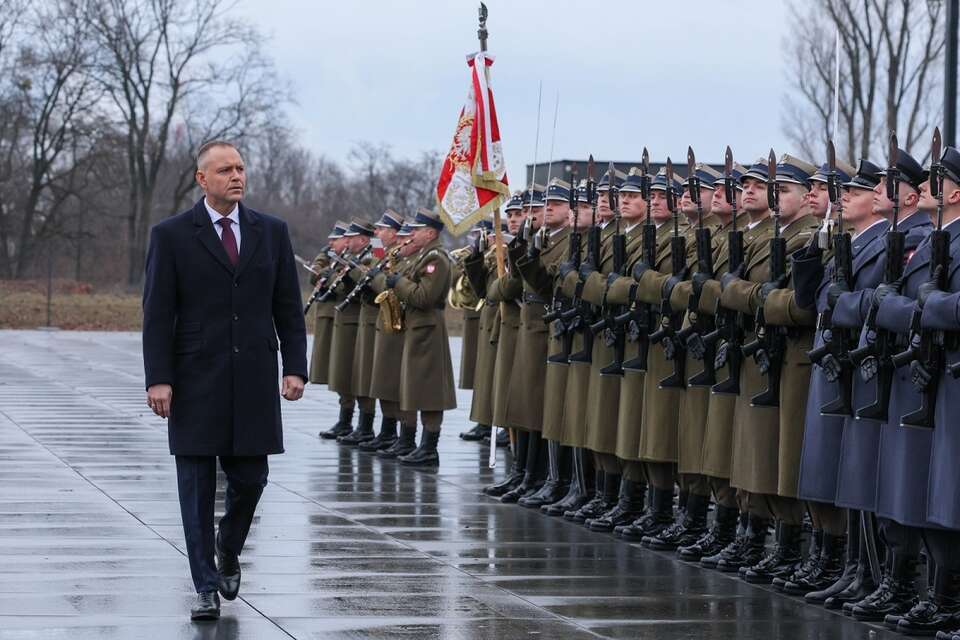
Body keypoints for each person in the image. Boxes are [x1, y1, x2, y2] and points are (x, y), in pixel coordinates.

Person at [142, 140, 307, 621]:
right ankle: (205, 586)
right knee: (194, 489)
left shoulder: (270, 232)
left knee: (252, 478)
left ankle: (228, 545)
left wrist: (294, 366)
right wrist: (159, 379)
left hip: (254, 376)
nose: (236, 176)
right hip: (194, 379)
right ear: (202, 179)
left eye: (240, 167)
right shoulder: (171, 235)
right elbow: (157, 314)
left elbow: (287, 308)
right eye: (224, 170)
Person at [371, 207, 456, 467]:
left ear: (430, 233)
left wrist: (397, 283)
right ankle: (413, 442)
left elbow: (423, 297)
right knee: (412, 387)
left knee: (429, 392)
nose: (412, 234)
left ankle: (429, 448)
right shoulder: (424, 256)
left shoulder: (436, 258)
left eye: (417, 230)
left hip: (428, 329)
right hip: (416, 328)